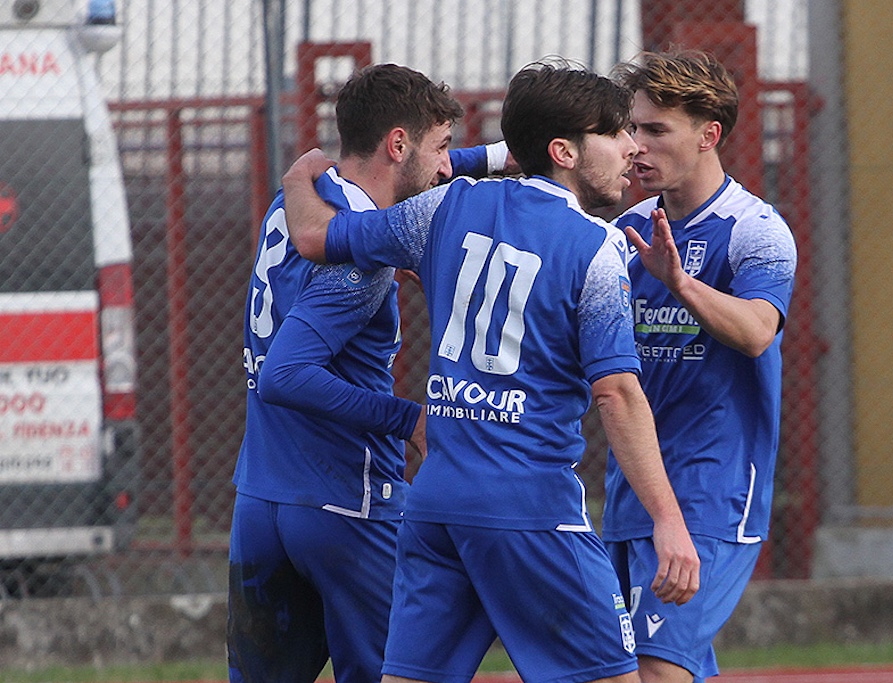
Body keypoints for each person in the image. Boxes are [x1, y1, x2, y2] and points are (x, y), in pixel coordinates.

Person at [281, 60, 701, 683]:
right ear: (563, 151)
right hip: (531, 509)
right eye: (614, 134)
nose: (631, 148)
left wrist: (295, 178)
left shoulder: (446, 209)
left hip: (438, 507)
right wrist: (669, 520)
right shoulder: (596, 246)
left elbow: (315, 236)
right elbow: (617, 395)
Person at [228, 63, 513, 683]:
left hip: (261, 499)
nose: (447, 166)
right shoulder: (362, 257)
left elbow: (419, 174)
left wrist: (503, 153)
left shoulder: (300, 206)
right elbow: (286, 374)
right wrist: (409, 418)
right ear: (398, 144)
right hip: (345, 503)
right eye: (441, 148)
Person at [601, 51, 798, 683]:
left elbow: (757, 331)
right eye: (631, 129)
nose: (635, 146)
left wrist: (682, 285)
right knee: (639, 666)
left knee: (657, 668)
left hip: (713, 493)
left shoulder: (755, 230)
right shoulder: (624, 232)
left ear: (708, 135)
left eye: (655, 130)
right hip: (634, 490)